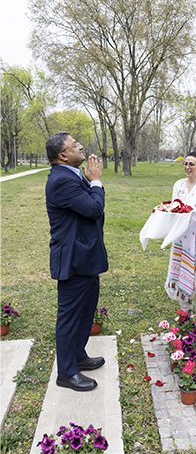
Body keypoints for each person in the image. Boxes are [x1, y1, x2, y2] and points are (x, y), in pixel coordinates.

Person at [45, 131, 108, 392]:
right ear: (63, 155)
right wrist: (96, 182)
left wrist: (91, 182)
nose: (81, 146)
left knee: (85, 311)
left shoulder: (72, 175)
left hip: (86, 257)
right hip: (73, 261)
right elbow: (94, 209)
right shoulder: (61, 181)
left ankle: (78, 355)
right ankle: (67, 372)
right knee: (70, 317)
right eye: (74, 145)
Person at [164, 148, 196, 316]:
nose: (187, 167)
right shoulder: (178, 185)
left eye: (191, 164)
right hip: (181, 236)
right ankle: (184, 315)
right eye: (185, 164)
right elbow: (174, 207)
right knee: (182, 271)